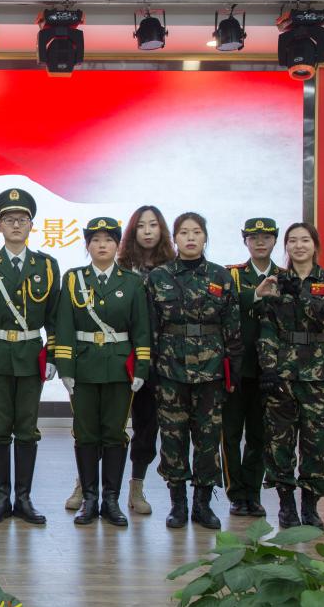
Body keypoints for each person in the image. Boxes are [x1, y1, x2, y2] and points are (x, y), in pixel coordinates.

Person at [0, 188, 60, 525]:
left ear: (31, 225)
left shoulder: (46, 266)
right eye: (9, 220)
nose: (16, 225)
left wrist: (53, 355)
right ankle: (1, 497)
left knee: (27, 428)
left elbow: (54, 317)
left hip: (30, 355)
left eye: (22, 219)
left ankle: (23, 498)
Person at [146, 212, 241, 530]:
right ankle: (178, 503)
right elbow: (151, 325)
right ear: (174, 238)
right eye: (184, 232)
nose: (190, 237)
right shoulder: (159, 276)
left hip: (211, 370)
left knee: (208, 437)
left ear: (205, 237)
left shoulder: (221, 276)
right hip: (170, 368)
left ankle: (203, 504)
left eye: (196, 232)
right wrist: (151, 368)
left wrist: (233, 369)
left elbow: (232, 326)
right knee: (172, 437)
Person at [55, 217, 151, 527]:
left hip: (119, 367)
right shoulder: (74, 279)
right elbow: (64, 325)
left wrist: (141, 367)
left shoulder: (132, 282)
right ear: (87, 246)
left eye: (108, 240)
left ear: (117, 245)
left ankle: (111, 500)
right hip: (83, 366)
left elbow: (141, 329)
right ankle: (89, 499)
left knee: (114, 433)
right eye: (95, 240)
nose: (101, 245)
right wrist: (65, 367)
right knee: (85, 434)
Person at [83, 204, 173, 517]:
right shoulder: (118, 266)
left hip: (158, 359)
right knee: (102, 424)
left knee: (147, 425)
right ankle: (85, 485)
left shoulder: (172, 269)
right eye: (141, 226)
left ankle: (136, 487)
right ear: (132, 232)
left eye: (153, 225)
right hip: (117, 357)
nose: (147, 231)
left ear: (162, 230)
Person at [256, 222, 324, 530]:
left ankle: (310, 506)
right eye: (292, 240)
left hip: (317, 375)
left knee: (316, 443)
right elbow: (267, 328)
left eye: (305, 240)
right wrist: (268, 368)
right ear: (286, 247)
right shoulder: (276, 282)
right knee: (279, 442)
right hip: (282, 374)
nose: (298, 246)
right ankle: (286, 506)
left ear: (315, 245)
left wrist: (303, 295)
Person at [222, 218, 280, 518]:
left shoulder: (285, 277)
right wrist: (255, 294)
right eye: (253, 237)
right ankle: (236, 494)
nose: (260, 242)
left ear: (275, 240)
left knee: (260, 435)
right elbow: (226, 306)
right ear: (245, 240)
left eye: (266, 237)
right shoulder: (232, 275)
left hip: (270, 371)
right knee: (231, 434)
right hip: (238, 367)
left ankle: (253, 493)